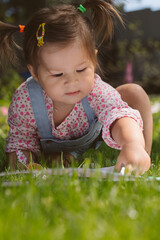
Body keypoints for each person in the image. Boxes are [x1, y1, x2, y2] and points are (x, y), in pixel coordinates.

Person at [0, 0, 152, 174]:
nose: (72, 82)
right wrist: (25, 164)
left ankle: (139, 157)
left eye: (81, 69)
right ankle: (62, 156)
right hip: (49, 148)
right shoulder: (26, 100)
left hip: (94, 136)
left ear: (93, 61)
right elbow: (20, 142)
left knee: (134, 92)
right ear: (34, 73)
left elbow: (118, 117)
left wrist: (132, 143)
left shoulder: (96, 90)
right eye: (58, 74)